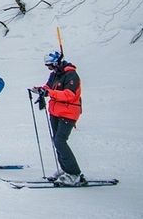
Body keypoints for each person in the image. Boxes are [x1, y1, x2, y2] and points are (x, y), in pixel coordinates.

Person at [32, 51, 85, 186]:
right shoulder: (55, 74)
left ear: (56, 63)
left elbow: (69, 94)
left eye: (50, 66)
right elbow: (48, 87)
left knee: (60, 141)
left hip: (69, 112)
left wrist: (49, 92)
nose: (49, 68)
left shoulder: (71, 75)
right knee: (56, 141)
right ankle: (66, 169)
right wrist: (40, 90)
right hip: (55, 112)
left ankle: (74, 173)